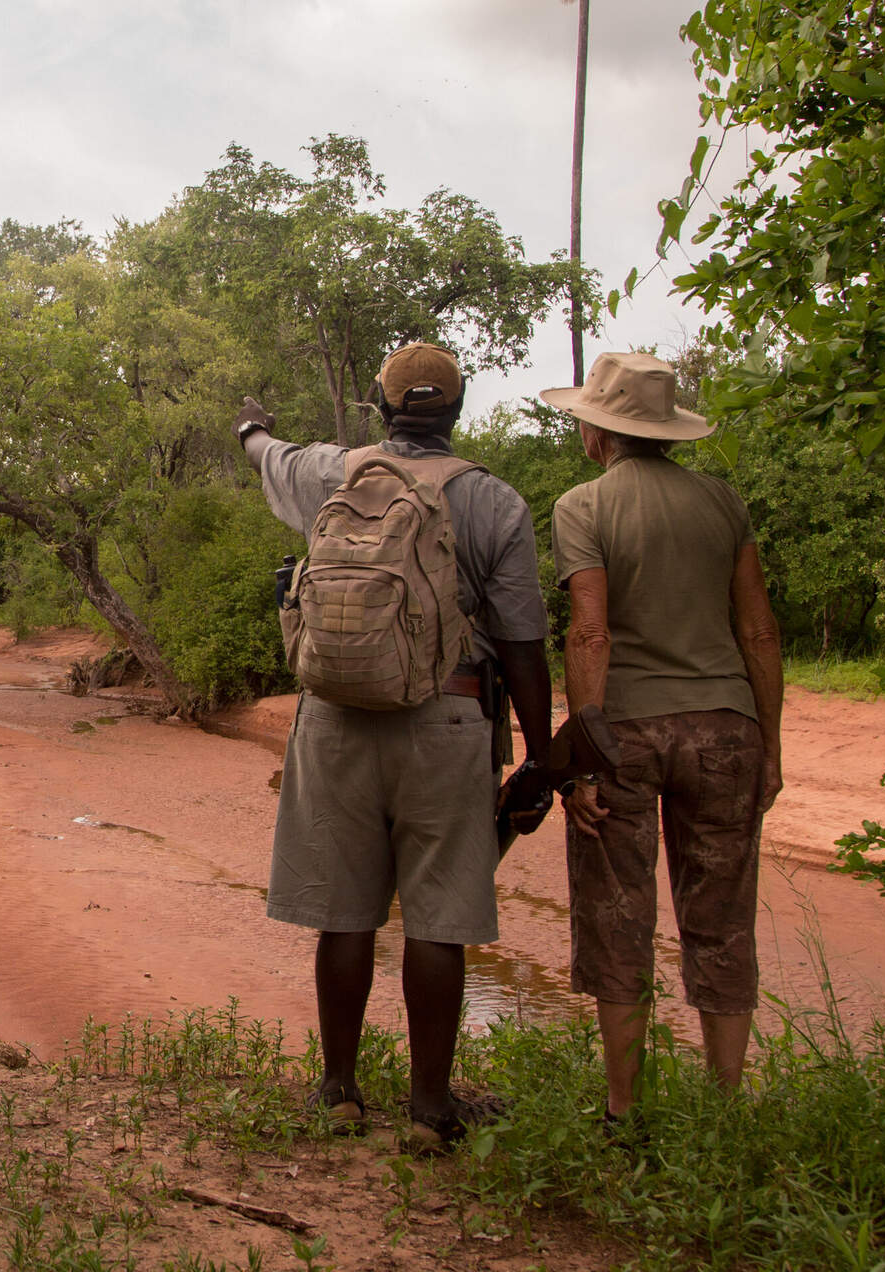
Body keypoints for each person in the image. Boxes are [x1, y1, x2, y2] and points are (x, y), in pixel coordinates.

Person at [236, 342, 553, 1149]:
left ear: (380, 407)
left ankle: (339, 1092)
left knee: (343, 917)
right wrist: (539, 760)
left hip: (334, 719)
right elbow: (522, 644)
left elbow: (265, 452)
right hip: (449, 719)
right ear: (458, 409)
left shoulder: (330, 472)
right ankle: (429, 1108)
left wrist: (249, 428)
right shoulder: (493, 500)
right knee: (436, 921)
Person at [539, 350, 784, 1121]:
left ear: (596, 432)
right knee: (721, 921)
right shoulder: (722, 502)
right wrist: (770, 747)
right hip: (726, 731)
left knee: (618, 918)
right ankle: (723, 1108)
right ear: (665, 430)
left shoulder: (581, 507)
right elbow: (757, 630)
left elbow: (589, 634)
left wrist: (580, 764)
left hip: (626, 735)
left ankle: (623, 1111)